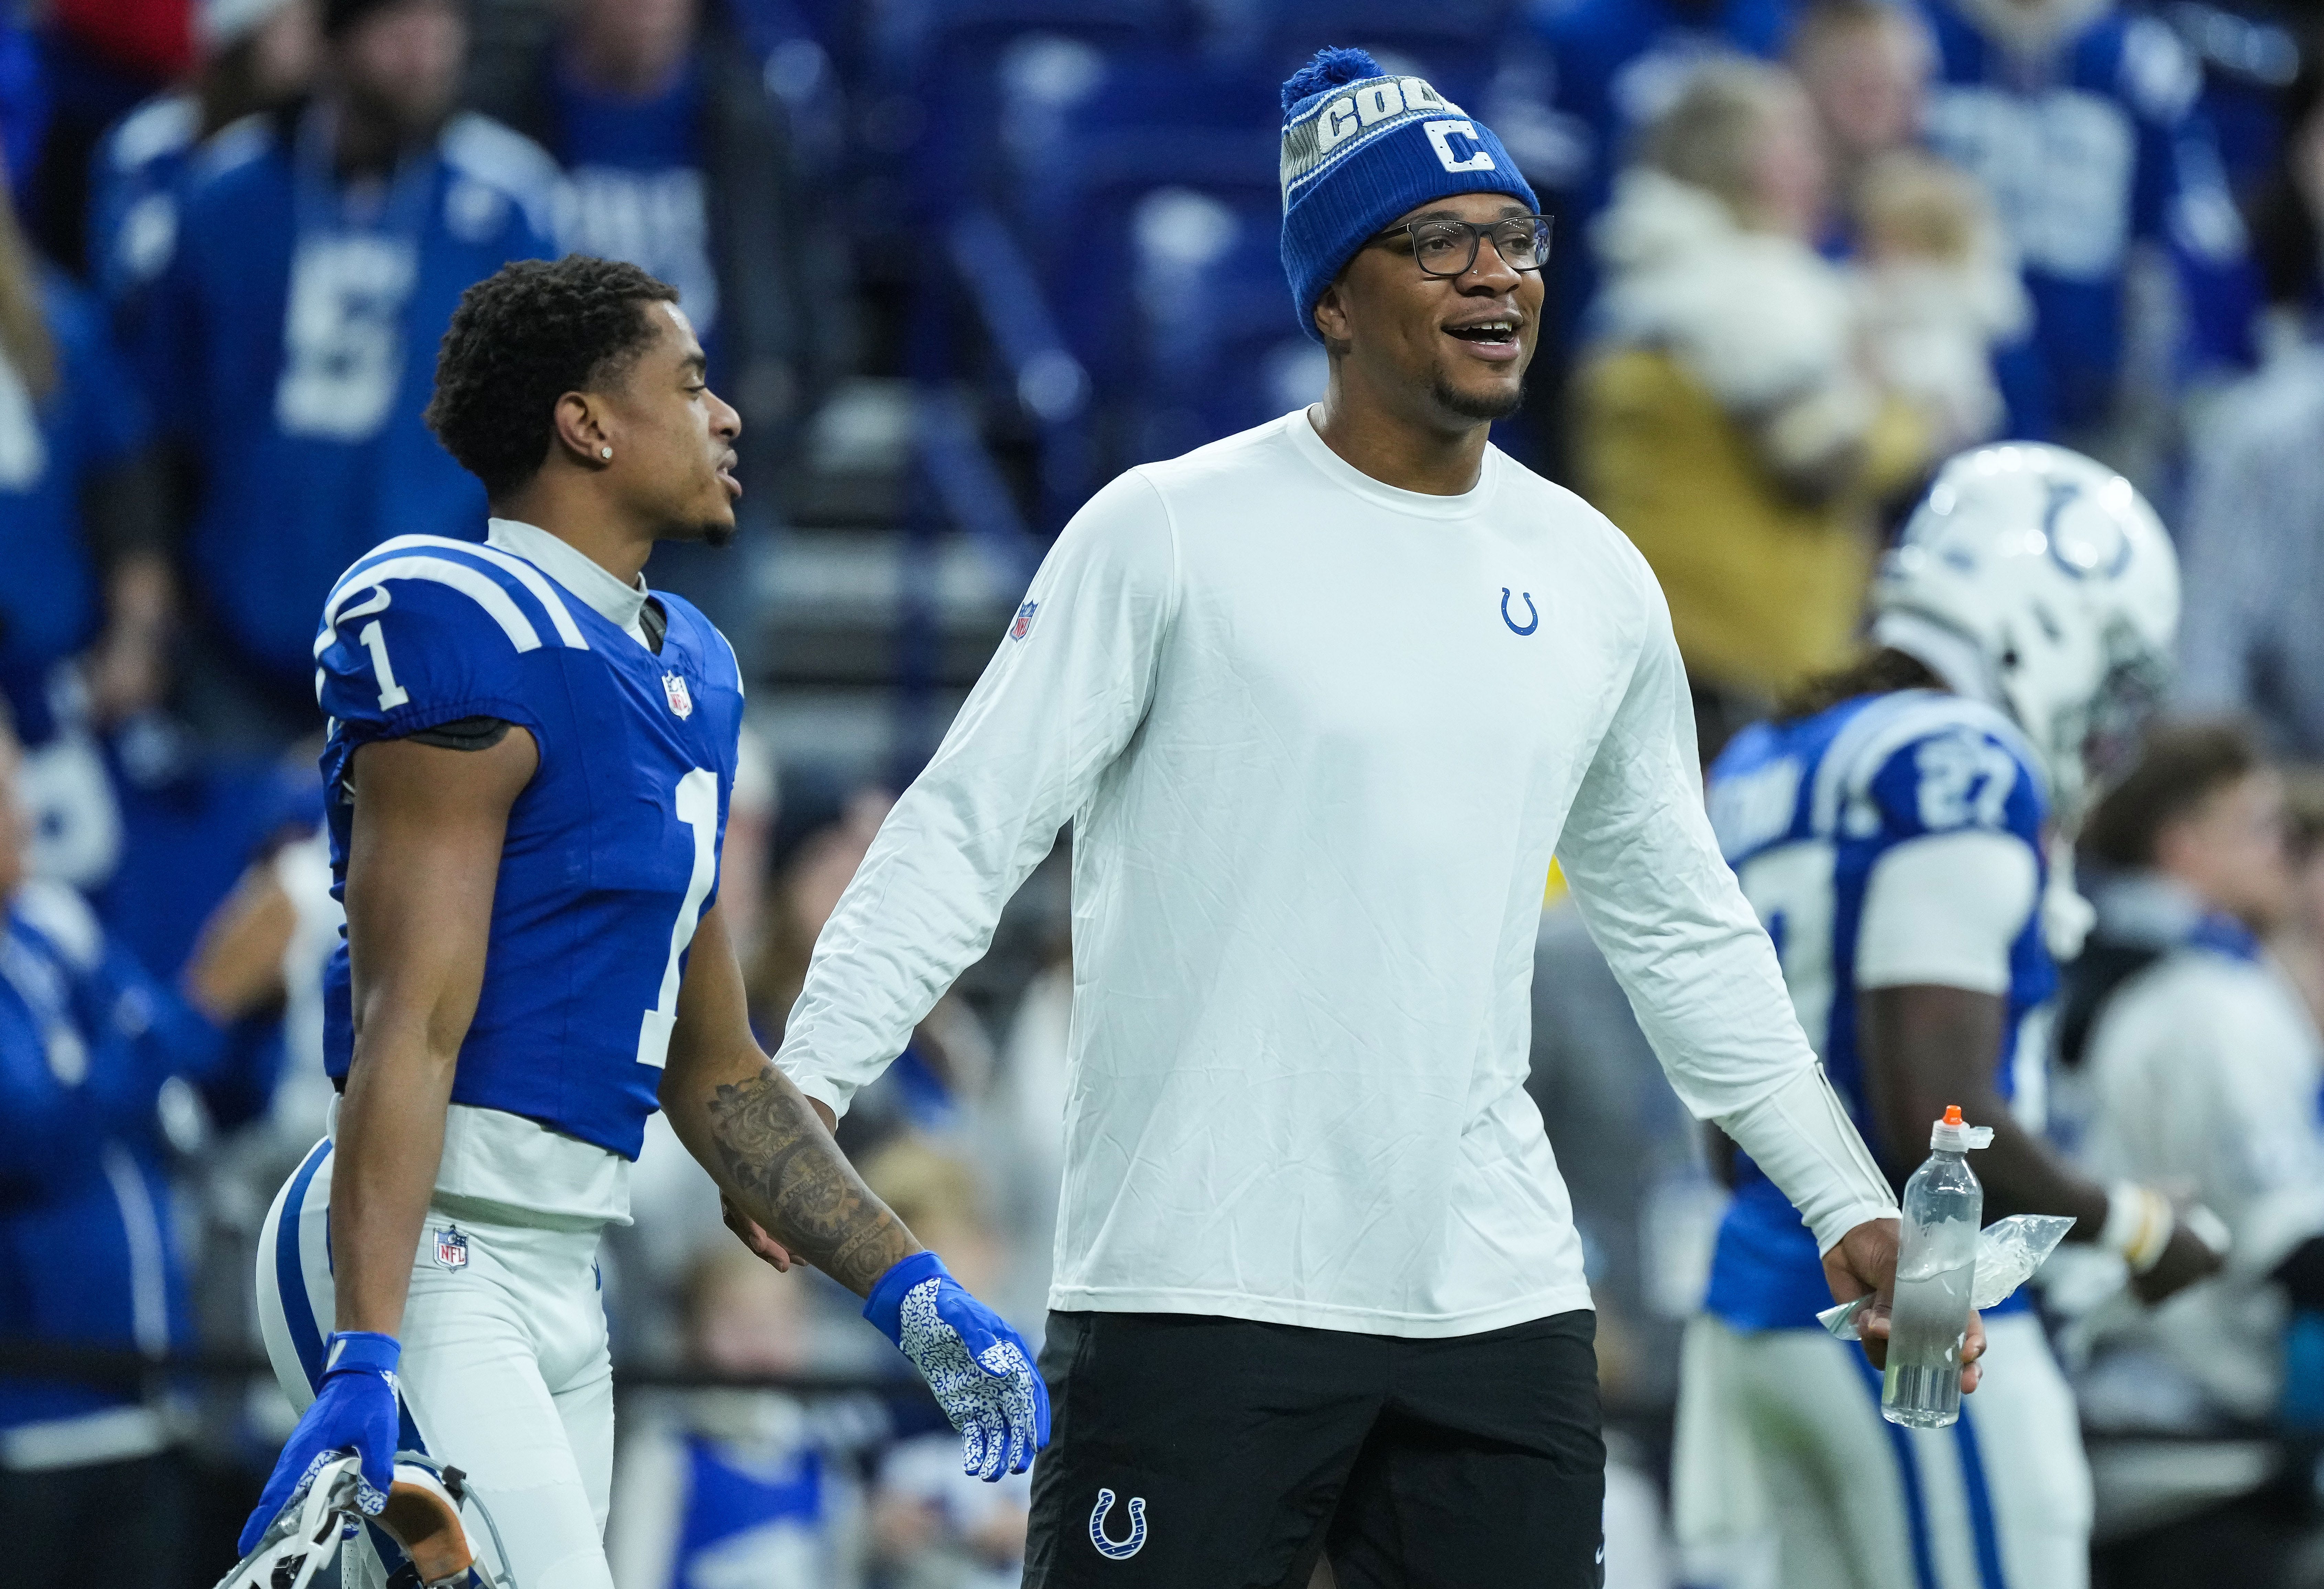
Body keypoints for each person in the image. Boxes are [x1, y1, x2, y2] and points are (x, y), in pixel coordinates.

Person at [760, 46, 1973, 1587]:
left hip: (1493, 1298)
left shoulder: (1593, 573)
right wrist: (810, 1079)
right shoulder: (1165, 532)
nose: (1495, 276)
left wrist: (1838, 1197)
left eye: (1516, 238)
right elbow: (964, 830)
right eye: (1437, 241)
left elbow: (1680, 927)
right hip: (1192, 1281)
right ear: (1330, 297)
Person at [228, 256, 1043, 1589]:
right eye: (693, 383)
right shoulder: (454, 618)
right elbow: (409, 1023)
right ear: (588, 424)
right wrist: (367, 1350)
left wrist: (913, 1292)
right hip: (422, 1238)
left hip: (563, 1269)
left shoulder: (691, 674)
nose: (726, 417)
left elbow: (715, 1067)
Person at [1673, 442, 2222, 1589]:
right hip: (1913, 1326)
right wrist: (2126, 1226)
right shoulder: (1951, 757)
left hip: (1754, 1309)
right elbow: (1933, 1119)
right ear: (2050, 614)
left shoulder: (1768, 758)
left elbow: (1726, 1120)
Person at [140, 0, 558, 747]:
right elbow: (168, 403)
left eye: (441, 28)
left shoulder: (511, 201)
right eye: (400, 31)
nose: (427, 54)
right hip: (242, 632)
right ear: (334, 43)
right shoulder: (228, 195)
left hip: (439, 643)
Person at [464, 0, 834, 661]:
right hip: (545, 495)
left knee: (692, 722)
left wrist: (768, 422)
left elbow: (807, 304)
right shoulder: (504, 123)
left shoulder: (741, 119)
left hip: (697, 492)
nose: (648, 14)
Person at [1575, 62, 1932, 735]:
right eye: (1791, 143)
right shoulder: (1734, 296)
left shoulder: (1666, 275)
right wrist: (1911, 414)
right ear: (1737, 161)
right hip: (1722, 667)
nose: (1815, 165)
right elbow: (1823, 463)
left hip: (1678, 646)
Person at [0, 713, 228, 1589]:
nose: (23, 815)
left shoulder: (44, 938)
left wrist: (180, 1028)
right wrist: (203, 998)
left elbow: (175, 1050)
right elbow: (31, 1137)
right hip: (31, 1429)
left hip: (143, 1412)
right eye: (1, 791)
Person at [2063, 722, 2324, 1441]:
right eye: (2258, 828)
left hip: (2162, 1385)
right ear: (2184, 848)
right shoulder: (2205, 1000)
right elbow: (2288, 1248)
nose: (2282, 853)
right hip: (2181, 1410)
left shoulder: (2197, 983)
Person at [1917, 0, 2255, 448]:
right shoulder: (1916, 34)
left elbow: (2192, 227)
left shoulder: (2139, 59)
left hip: (2090, 389)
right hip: (1930, 385)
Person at [86, 0, 321, 339]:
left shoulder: (311, 153)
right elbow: (133, 275)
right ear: (245, 39)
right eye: (295, 26)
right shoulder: (155, 141)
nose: (315, 43)